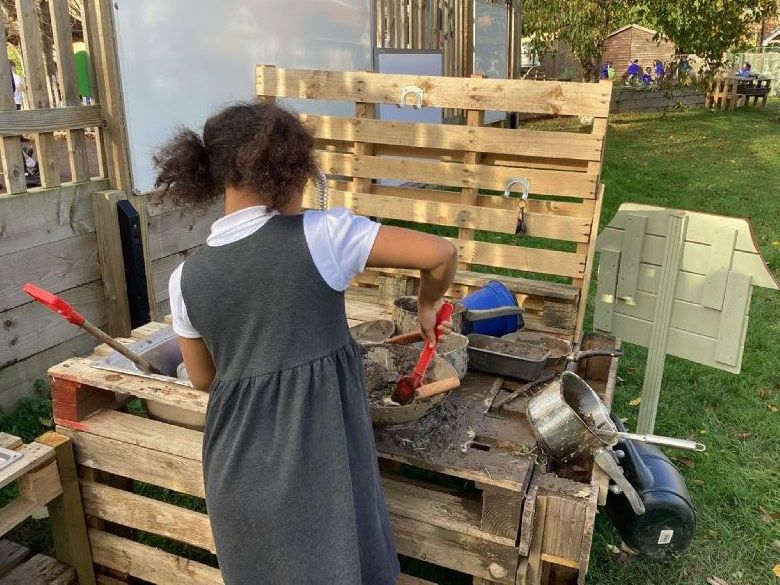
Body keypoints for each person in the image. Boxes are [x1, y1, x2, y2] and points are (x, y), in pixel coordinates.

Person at [155, 102, 458, 585]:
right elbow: (441, 254)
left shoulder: (184, 278)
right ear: (292, 169)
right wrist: (427, 305)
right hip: (322, 456)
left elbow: (203, 379)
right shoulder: (325, 235)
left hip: (237, 465)